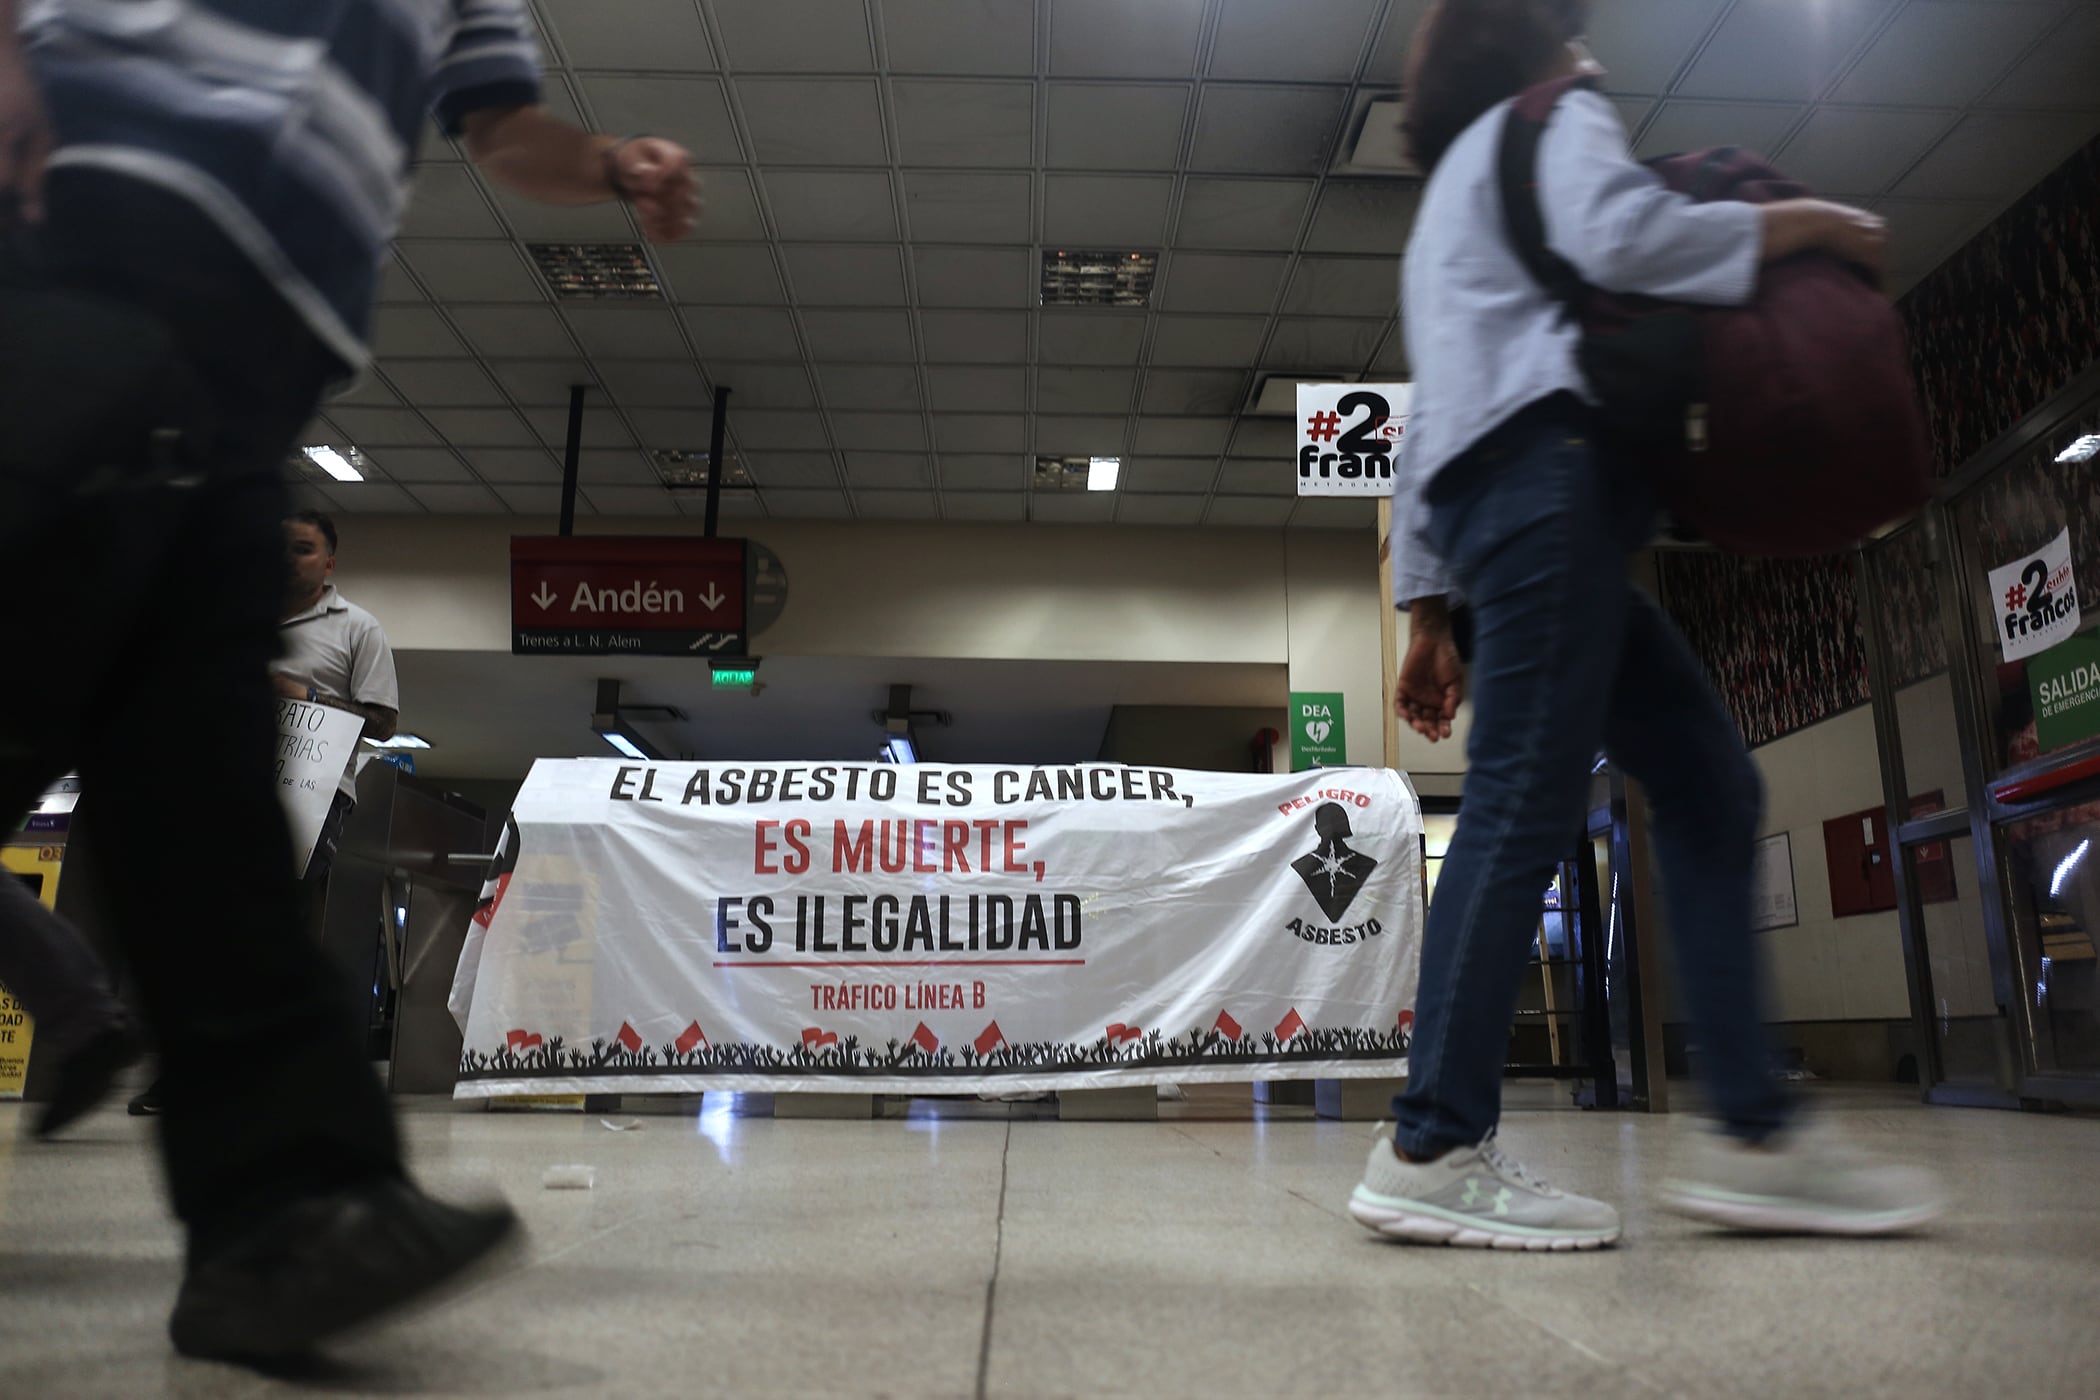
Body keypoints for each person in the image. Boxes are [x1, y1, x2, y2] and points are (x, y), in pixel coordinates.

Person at [0, 0, 698, 1364]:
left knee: (200, 799)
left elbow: (504, 129)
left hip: (244, 380)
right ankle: (286, 1213)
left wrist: (614, 164)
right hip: (81, 257)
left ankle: (285, 1225)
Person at [1346, 0, 1942, 1249]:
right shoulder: (1555, 113)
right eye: (1575, 28)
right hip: (1553, 495)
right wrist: (1818, 226)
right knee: (1522, 802)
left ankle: (1754, 1134)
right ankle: (1434, 1141)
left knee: (1710, 786)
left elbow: (1426, 426)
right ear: (1543, 40)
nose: (1591, 50)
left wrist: (1429, 616)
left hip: (1512, 517)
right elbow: (1629, 238)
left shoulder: (1455, 198)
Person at [129, 510, 398, 1118]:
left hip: (311, 793)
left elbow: (384, 722)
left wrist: (307, 695)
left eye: (302, 549)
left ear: (328, 562)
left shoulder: (358, 628)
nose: (286, 559)